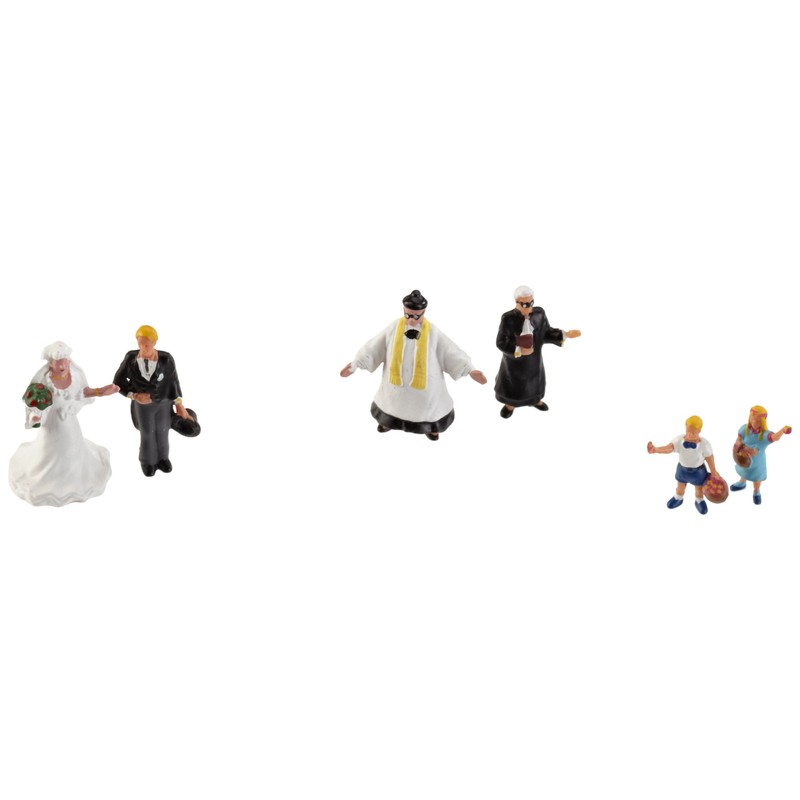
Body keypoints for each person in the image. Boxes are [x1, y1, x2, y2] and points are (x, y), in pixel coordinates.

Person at [340, 290, 487, 440]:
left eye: (416, 316)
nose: (411, 320)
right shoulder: (393, 328)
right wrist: (356, 364)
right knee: (391, 405)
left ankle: (432, 427)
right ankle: (387, 421)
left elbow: (450, 351)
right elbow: (374, 346)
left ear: (423, 312)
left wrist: (469, 369)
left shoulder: (433, 333)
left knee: (427, 410)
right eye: (408, 315)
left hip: (425, 391)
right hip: (394, 388)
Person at [9, 341, 118, 506]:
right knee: (48, 452)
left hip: (69, 423)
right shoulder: (44, 381)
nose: (62, 365)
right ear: (50, 363)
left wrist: (102, 391)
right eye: (57, 362)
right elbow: (36, 404)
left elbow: (84, 392)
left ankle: (72, 477)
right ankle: (48, 479)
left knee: (72, 449)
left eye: (65, 361)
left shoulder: (75, 375)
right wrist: (36, 417)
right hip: (52, 425)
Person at [113, 325, 195, 476]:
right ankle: (147, 461)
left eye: (146, 345)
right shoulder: (131, 358)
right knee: (147, 432)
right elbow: (118, 382)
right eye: (140, 344)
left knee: (163, 430)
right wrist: (134, 395)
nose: (142, 348)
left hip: (163, 403)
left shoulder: (166, 359)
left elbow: (173, 382)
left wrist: (179, 405)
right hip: (143, 406)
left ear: (154, 343)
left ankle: (163, 458)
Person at [494, 285, 581, 418]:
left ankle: (534, 400)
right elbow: (501, 342)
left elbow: (546, 332)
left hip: (534, 360)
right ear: (516, 302)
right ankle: (510, 404)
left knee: (534, 382)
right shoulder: (508, 318)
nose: (528, 307)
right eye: (524, 304)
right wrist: (518, 350)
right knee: (513, 384)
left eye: (531, 303)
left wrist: (565, 334)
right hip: (514, 363)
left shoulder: (539, 314)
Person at [647, 415, 720, 515]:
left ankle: (699, 500)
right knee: (680, 485)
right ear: (685, 427)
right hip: (682, 470)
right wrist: (656, 450)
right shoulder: (679, 440)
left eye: (693, 433)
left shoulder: (704, 444)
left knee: (699, 488)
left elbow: (710, 459)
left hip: (698, 472)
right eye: (688, 431)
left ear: (699, 431)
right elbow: (669, 448)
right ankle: (678, 497)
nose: (690, 435)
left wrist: (713, 472)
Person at [730, 405, 791, 505]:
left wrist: (783, 430)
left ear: (763, 421)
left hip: (757, 462)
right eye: (752, 418)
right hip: (743, 458)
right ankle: (742, 482)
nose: (754, 422)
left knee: (756, 479)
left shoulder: (765, 435)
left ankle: (756, 491)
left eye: (758, 420)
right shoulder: (744, 429)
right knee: (743, 472)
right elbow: (738, 439)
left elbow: (775, 437)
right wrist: (740, 446)